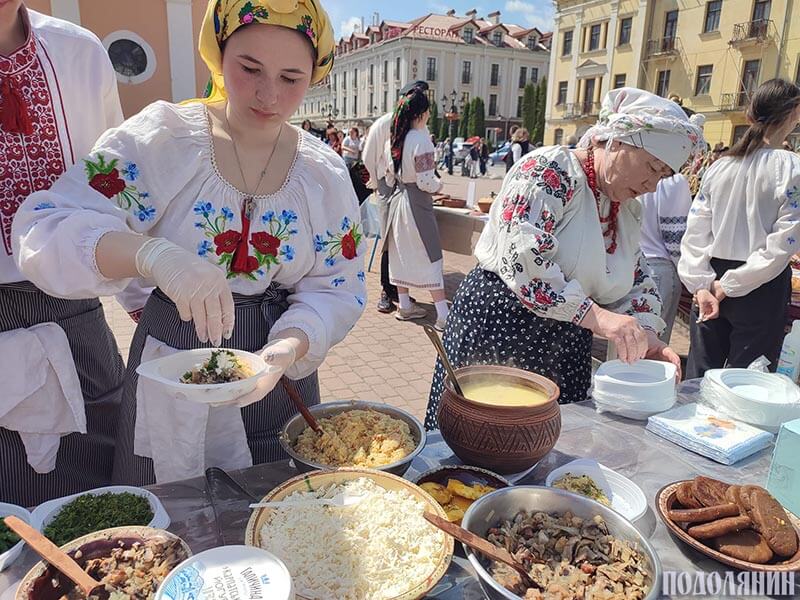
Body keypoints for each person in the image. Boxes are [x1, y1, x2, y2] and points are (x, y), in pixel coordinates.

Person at [13, 0, 366, 486]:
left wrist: (293, 342)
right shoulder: (166, 140)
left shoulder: (322, 174)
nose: (269, 95)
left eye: (291, 78)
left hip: (277, 375)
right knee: (172, 502)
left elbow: (338, 285)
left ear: (314, 76)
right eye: (249, 68)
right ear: (219, 56)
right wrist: (150, 255)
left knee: (278, 505)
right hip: (175, 357)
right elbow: (45, 227)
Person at [425, 87, 704, 430]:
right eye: (651, 167)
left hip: (566, 341)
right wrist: (599, 318)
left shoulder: (625, 209)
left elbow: (636, 279)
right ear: (617, 141)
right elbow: (524, 259)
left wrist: (647, 336)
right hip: (502, 327)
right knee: (482, 435)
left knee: (549, 441)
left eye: (662, 175)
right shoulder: (550, 170)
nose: (652, 185)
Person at [0, 0, 125, 506]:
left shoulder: (79, 52)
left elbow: (112, 184)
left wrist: (146, 295)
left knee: (103, 483)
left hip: (74, 307)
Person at [678, 79, 800, 378]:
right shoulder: (791, 168)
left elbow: (695, 232)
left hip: (712, 276)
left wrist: (702, 284)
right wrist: (727, 285)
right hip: (761, 284)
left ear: (749, 115)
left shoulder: (720, 166)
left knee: (700, 374)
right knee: (747, 381)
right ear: (794, 113)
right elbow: (782, 245)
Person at [361, 80, 429, 313]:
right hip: (388, 184)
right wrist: (376, 181)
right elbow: (368, 155)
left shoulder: (419, 126)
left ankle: (402, 292)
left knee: (405, 239)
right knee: (389, 238)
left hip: (410, 188)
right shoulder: (385, 123)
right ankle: (386, 290)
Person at [384, 88, 449, 330]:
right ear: (421, 113)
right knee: (429, 255)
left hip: (398, 202)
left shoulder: (394, 139)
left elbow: (388, 176)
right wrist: (440, 185)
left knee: (401, 254)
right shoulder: (421, 140)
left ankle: (405, 306)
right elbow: (425, 181)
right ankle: (443, 315)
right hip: (416, 205)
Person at [639, 173, 693, 344]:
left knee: (628, 345)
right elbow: (676, 238)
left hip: (631, 263)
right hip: (659, 268)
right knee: (652, 348)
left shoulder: (632, 172)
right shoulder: (673, 181)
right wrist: (688, 275)